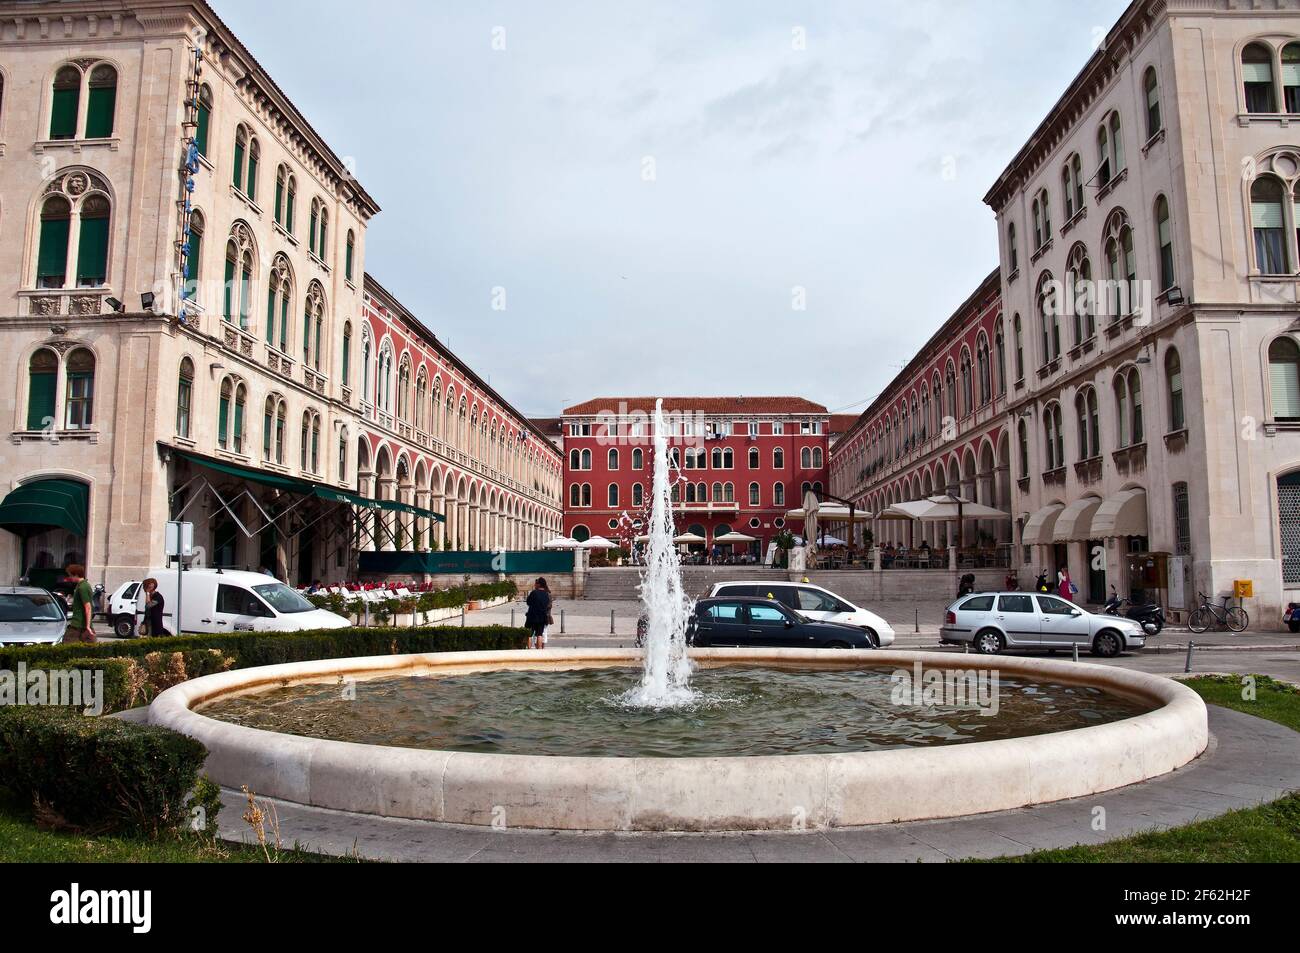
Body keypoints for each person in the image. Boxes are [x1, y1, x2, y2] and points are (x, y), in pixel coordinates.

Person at [62, 563, 96, 644]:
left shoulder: (82, 587)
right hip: (79, 624)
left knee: (67, 645)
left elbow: (88, 607)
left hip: (79, 624)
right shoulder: (82, 585)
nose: (70, 577)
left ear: (76, 575)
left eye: (71, 575)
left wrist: (87, 626)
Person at [524, 577, 552, 650]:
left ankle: (529, 650)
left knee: (529, 634)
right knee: (539, 635)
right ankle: (539, 651)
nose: (535, 585)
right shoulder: (546, 594)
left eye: (536, 583)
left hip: (532, 617)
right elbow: (547, 605)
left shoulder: (534, 593)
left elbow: (528, 602)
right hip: (542, 617)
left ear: (539, 584)